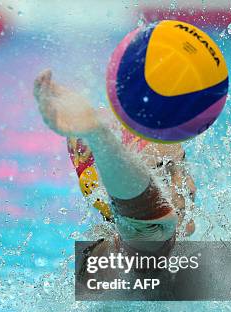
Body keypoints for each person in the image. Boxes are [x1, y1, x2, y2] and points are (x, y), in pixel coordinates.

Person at [34, 70, 196, 256]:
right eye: (164, 175)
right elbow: (143, 215)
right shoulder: (131, 255)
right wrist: (97, 135)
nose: (189, 186)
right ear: (107, 190)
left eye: (183, 166)